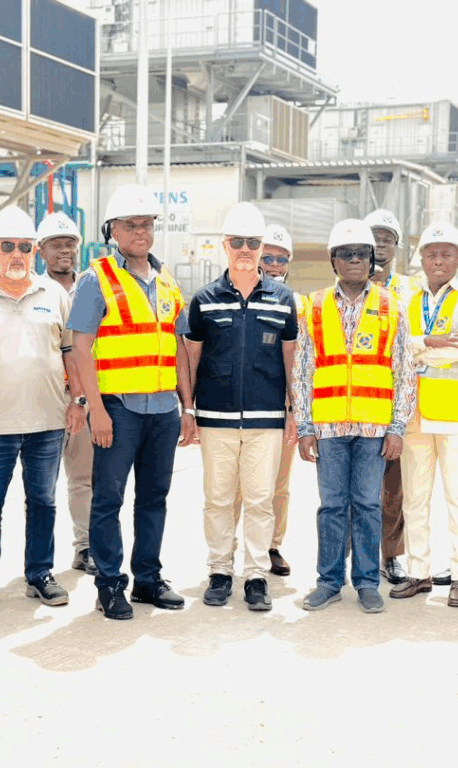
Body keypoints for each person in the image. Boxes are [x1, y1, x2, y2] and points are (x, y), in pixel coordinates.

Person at [68, 184, 196, 620]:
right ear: (113, 231)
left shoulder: (168, 282)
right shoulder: (96, 279)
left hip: (163, 410)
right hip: (118, 409)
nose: (141, 231)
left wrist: (187, 407)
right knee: (108, 499)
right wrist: (96, 409)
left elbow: (178, 350)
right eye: (131, 225)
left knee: (154, 498)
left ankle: (147, 579)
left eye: (146, 224)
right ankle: (109, 585)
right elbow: (81, 348)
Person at [0, 205, 82, 613]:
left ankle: (40, 574)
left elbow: (71, 354)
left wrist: (77, 401)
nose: (16, 254)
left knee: (43, 502)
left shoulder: (55, 295)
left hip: (47, 422)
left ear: (34, 252)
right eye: (7, 246)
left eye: (25, 247)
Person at [293, 219, 416, 614]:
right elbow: (302, 370)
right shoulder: (313, 306)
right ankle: (328, 582)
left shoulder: (391, 306)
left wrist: (397, 427)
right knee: (331, 507)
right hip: (328, 428)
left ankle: (366, 583)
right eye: (346, 254)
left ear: (372, 260)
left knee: (367, 505)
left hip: (373, 428)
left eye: (362, 254)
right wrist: (305, 427)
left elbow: (404, 370)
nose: (355, 260)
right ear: (333, 261)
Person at [186, 204, 298, 611]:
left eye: (253, 242)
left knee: (260, 500)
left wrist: (294, 411)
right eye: (238, 242)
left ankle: (255, 576)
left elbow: (291, 359)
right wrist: (188, 411)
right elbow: (191, 358)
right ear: (225, 246)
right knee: (217, 499)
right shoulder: (204, 300)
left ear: (262, 246)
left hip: (266, 420)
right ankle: (219, 571)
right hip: (215, 418)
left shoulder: (283, 300)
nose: (246, 250)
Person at [393, 222, 458, 607]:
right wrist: (428, 341)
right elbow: (395, 344)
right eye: (431, 253)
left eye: (446, 254)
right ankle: (419, 573)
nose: (438, 260)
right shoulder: (408, 299)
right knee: (415, 498)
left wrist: (417, 351)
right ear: (421, 258)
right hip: (414, 414)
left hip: (456, 414)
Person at [37, 211, 96, 576]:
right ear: (41, 251)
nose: (64, 251)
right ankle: (37, 560)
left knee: (83, 477)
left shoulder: (92, 287)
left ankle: (85, 546)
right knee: (40, 486)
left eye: (70, 244)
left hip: (84, 397)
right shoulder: (32, 290)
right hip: (44, 396)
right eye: (55, 245)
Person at [364, 208, 413, 585]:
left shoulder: (409, 290)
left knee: (394, 488)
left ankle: (392, 555)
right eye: (374, 238)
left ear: (397, 246)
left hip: (394, 403)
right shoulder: (343, 286)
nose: (381, 245)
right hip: (354, 403)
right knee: (352, 489)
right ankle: (352, 556)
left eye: (387, 239)